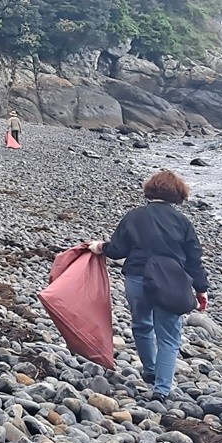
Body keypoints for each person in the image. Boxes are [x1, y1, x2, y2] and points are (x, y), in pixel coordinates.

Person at [88, 171, 209, 400]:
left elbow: (118, 250)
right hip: (170, 284)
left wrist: (100, 247)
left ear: (150, 190)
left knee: (141, 325)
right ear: (178, 194)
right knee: (169, 337)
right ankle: (161, 390)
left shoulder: (134, 216)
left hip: (137, 278)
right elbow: (194, 259)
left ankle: (150, 370)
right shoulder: (183, 222)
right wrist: (201, 289)